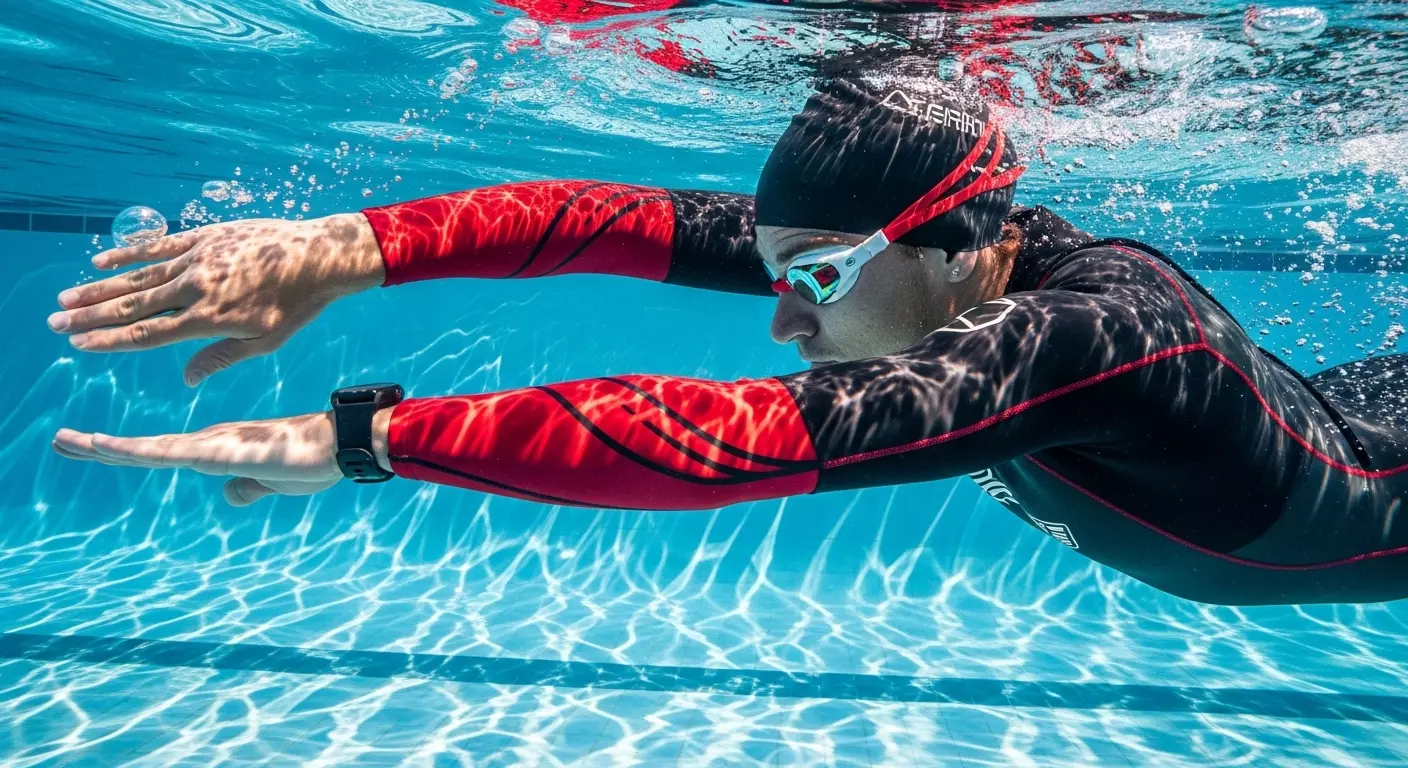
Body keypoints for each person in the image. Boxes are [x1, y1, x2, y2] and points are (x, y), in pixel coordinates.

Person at [48, 71, 1408, 607]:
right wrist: (338, 252)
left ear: (958, 240)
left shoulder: (1097, 338)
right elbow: (606, 214)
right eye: (774, 272)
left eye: (813, 277)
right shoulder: (924, 255)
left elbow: (732, 441)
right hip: (1343, 414)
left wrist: (364, 439)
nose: (778, 314)